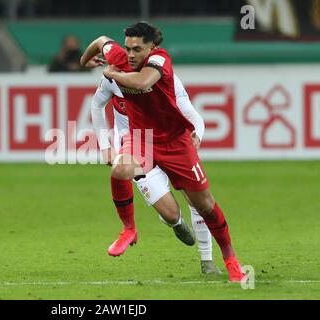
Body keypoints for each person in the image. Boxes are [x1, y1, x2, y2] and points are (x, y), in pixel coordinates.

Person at [82, 22, 245, 282]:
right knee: (120, 169)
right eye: (128, 49)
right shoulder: (118, 58)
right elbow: (101, 39)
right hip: (140, 139)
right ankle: (129, 230)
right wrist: (85, 59)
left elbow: (143, 81)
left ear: (152, 48)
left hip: (175, 142)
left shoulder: (160, 61)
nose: (131, 54)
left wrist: (112, 74)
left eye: (137, 49)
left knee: (205, 205)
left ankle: (229, 257)